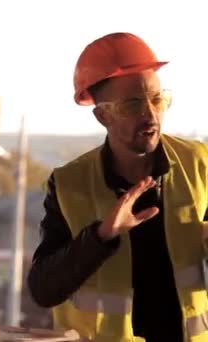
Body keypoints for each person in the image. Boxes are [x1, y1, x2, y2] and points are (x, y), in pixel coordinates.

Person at [27, 32, 208, 341]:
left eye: (156, 99)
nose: (150, 114)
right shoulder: (69, 183)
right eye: (132, 104)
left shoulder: (199, 164)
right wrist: (101, 236)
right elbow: (44, 290)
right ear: (102, 116)